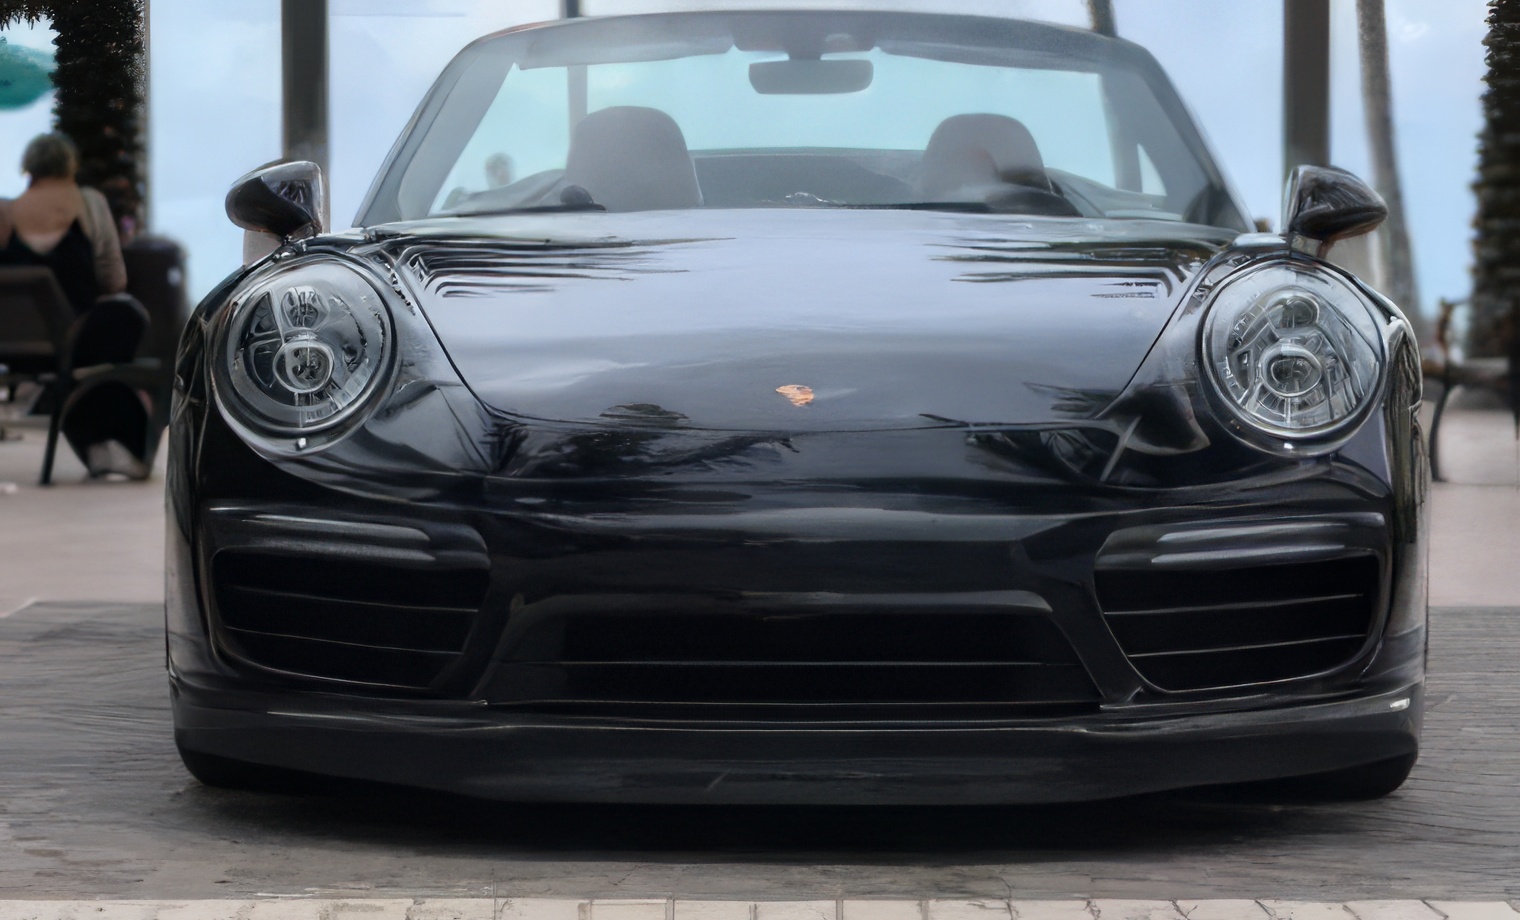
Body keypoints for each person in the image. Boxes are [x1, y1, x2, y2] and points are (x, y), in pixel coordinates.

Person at [0, 132, 149, 479]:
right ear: (71, 168)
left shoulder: (5, 214)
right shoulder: (89, 203)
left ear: (29, 170)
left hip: (16, 349)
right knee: (126, 317)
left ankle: (95, 440)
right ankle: (109, 444)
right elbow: (114, 281)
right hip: (75, 339)